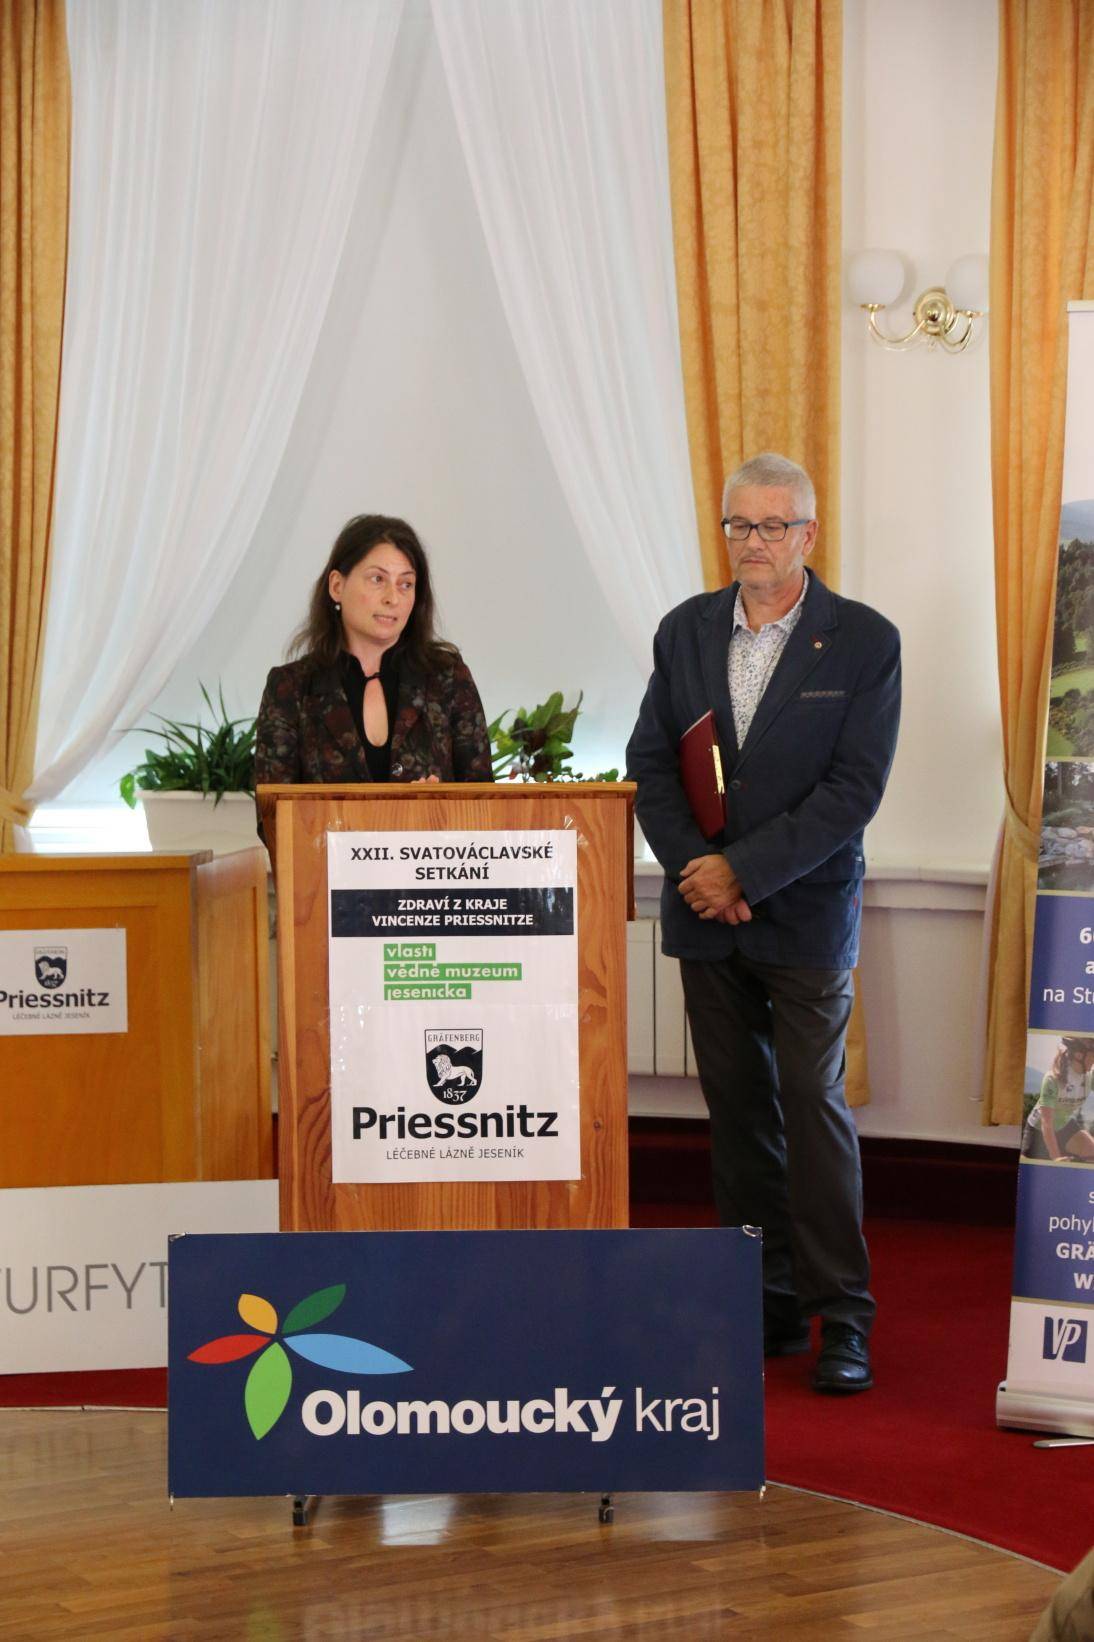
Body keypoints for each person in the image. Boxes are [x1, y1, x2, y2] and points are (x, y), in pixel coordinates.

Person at [626, 452, 901, 1394]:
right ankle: (765, 1303)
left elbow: (853, 791)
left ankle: (843, 1318)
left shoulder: (864, 641)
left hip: (807, 916)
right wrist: (700, 874)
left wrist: (743, 871)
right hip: (708, 919)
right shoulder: (685, 631)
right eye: (739, 524)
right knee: (739, 1117)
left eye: (773, 525)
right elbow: (652, 767)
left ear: (808, 534)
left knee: (813, 1110)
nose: (754, 542)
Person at [255, 514, 491, 840]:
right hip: (326, 873)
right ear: (337, 586)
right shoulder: (291, 688)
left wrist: (438, 811)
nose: (393, 598)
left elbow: (484, 807)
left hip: (431, 870)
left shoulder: (449, 679)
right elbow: (273, 822)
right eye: (378, 579)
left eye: (406, 584)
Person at [1022, 1038, 1094, 1162]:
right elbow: (1046, 1122)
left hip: (1064, 1125)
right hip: (1039, 1130)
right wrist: (1056, 1157)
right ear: (1079, 1055)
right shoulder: (1053, 1079)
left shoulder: (1089, 1077)